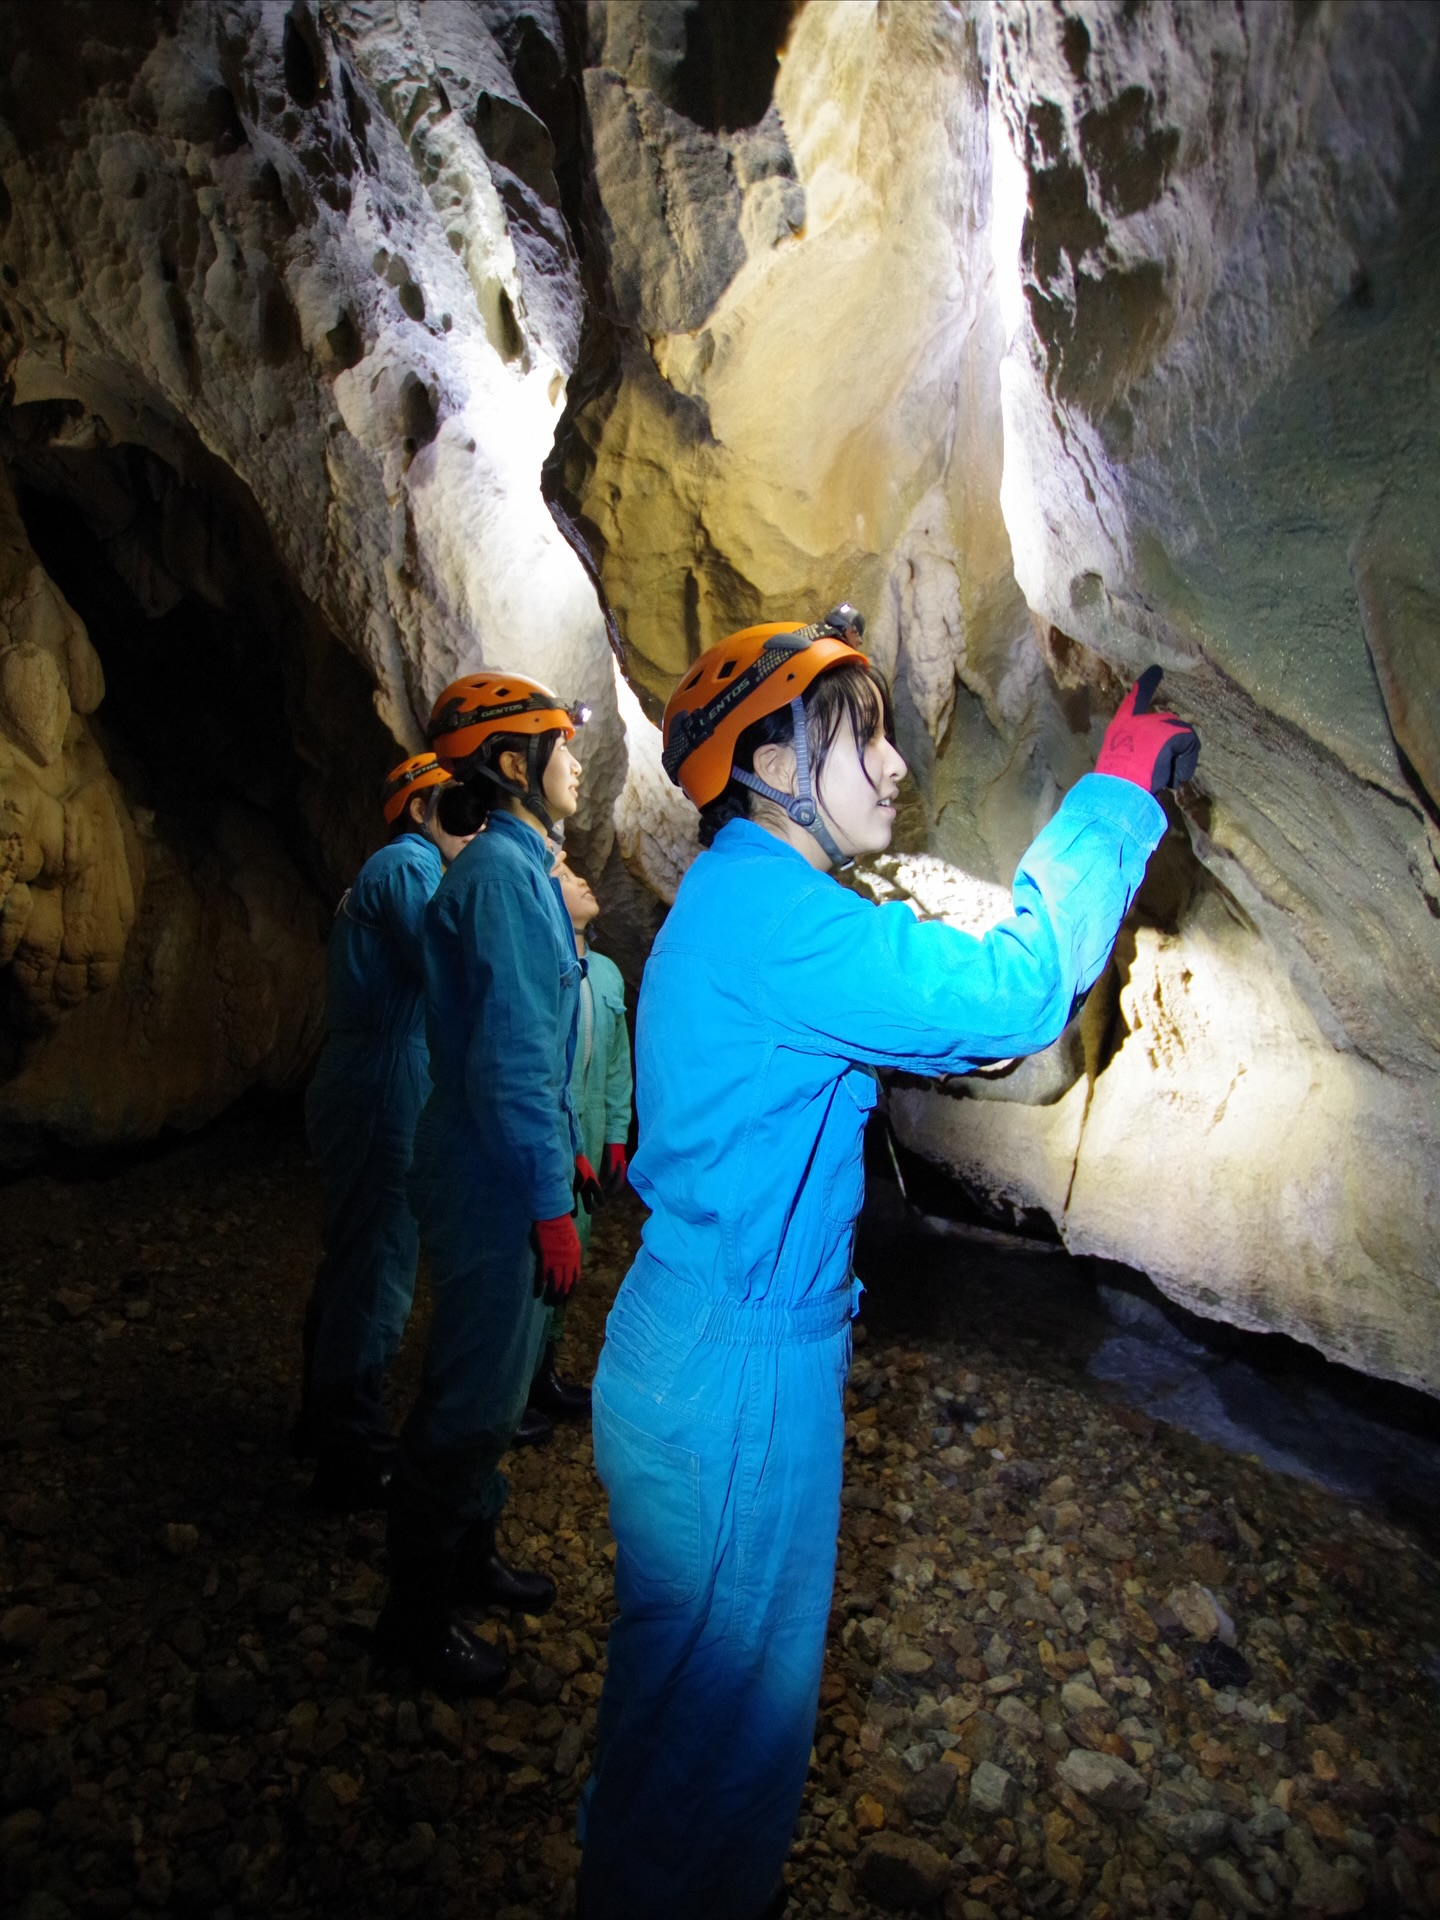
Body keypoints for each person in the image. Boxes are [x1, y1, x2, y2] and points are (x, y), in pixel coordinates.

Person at [575, 616, 1199, 1920]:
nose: (894, 761)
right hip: (738, 1374)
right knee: (723, 1768)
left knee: (672, 1730)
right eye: (855, 731)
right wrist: (1116, 794)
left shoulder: (749, 905)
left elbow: (883, 1042)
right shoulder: (778, 921)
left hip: (696, 1341)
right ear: (763, 760)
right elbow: (1020, 992)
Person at [376, 671, 596, 1697]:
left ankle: (469, 1559)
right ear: (515, 766)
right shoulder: (506, 883)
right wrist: (552, 1205)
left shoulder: (515, 869)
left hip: (498, 1168)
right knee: (469, 1396)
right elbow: (515, 1060)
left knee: (497, 1385)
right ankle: (412, 1623)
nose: (579, 764)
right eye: (564, 746)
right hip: (489, 1180)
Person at [297, 752, 472, 1512]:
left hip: (375, 1069)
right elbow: (449, 960)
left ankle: (327, 1422)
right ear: (416, 809)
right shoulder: (405, 868)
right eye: (453, 804)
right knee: (378, 1264)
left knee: (358, 1253)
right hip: (382, 1079)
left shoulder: (397, 867)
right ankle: (350, 1448)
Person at [528, 854, 634, 1421]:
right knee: (540, 1252)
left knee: (577, 1246)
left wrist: (615, 1136)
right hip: (553, 1127)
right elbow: (542, 1073)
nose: (583, 880)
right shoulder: (542, 967)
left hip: (591, 1126)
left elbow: (616, 1065)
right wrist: (569, 1150)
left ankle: (543, 1370)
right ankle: (514, 1377)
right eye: (566, 878)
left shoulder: (610, 974)